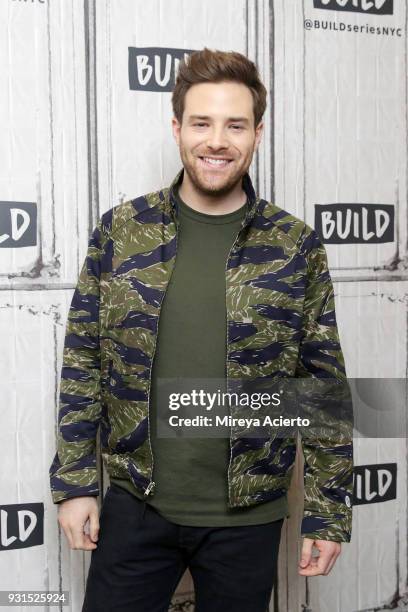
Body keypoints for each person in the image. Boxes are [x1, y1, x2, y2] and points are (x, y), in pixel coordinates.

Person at [49, 47, 353, 612]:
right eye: (202, 123)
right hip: (136, 507)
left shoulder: (295, 246)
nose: (217, 141)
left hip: (248, 520)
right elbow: (83, 361)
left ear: (257, 133)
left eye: (235, 125)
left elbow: (322, 386)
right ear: (177, 128)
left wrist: (328, 511)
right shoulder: (122, 231)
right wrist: (75, 484)